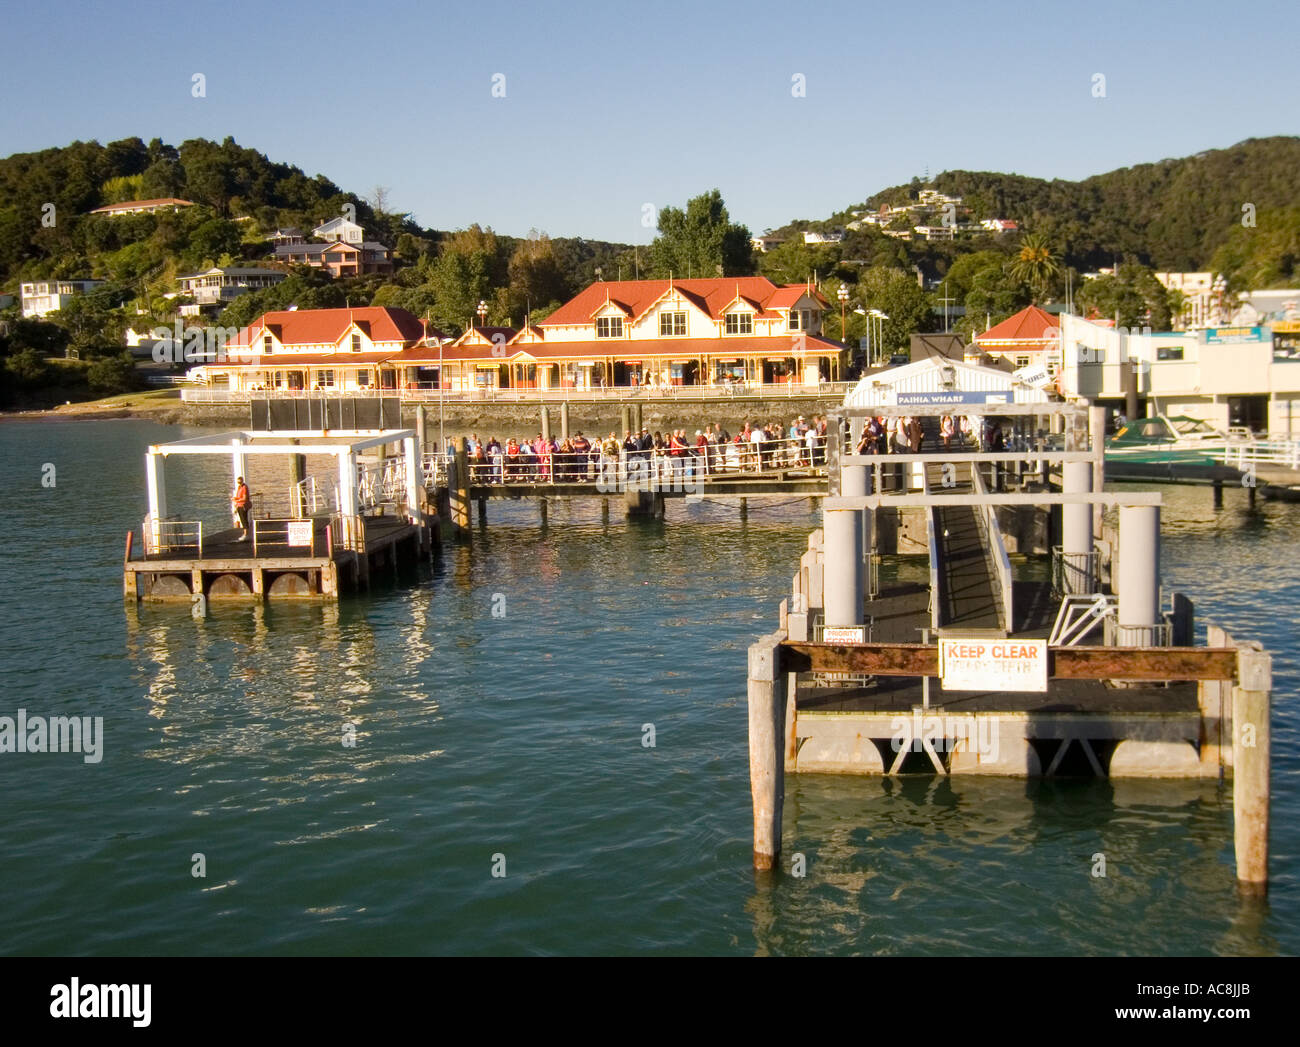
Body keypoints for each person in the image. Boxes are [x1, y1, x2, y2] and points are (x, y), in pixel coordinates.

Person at [231, 476, 251, 541]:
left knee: (244, 519)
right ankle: (245, 534)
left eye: (240, 482)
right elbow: (239, 496)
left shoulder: (244, 487)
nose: (239, 483)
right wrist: (235, 499)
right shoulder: (239, 487)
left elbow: (244, 498)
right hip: (239, 505)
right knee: (242, 520)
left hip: (243, 506)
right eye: (238, 482)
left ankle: (246, 534)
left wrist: (237, 500)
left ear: (242, 481)